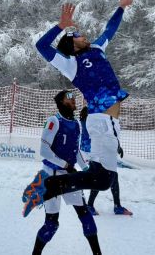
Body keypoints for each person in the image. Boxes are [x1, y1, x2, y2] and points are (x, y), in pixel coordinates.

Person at [21, 0, 133, 218]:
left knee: (102, 179)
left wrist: (121, 7)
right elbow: (42, 46)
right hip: (102, 120)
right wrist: (61, 26)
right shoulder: (70, 64)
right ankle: (49, 186)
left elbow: (110, 29)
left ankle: (49, 185)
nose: (83, 36)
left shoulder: (97, 49)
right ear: (71, 45)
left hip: (107, 121)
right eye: (78, 35)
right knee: (102, 179)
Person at [32, 90, 102, 255]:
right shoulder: (53, 121)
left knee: (85, 215)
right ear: (61, 102)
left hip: (70, 176)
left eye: (73, 97)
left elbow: (76, 151)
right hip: (52, 177)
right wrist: (65, 164)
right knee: (52, 225)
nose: (73, 99)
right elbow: (44, 150)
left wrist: (86, 169)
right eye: (69, 97)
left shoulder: (76, 124)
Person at [80, 106, 132, 216]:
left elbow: (107, 134)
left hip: (94, 151)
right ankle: (92, 205)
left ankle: (115, 206)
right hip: (95, 152)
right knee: (102, 177)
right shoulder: (93, 116)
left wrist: (117, 146)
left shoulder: (93, 115)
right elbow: (101, 135)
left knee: (110, 177)